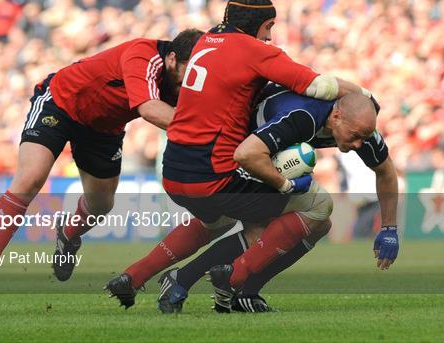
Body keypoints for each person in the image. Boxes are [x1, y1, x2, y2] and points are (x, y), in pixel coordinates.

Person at [104, 0, 375, 309]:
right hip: (214, 172)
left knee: (215, 222)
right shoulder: (253, 49)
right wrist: (362, 93)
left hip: (175, 168)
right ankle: (232, 285)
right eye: (268, 27)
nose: (270, 37)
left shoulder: (207, 40)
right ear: (255, 23)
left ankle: (133, 277)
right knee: (316, 208)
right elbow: (318, 86)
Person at [0, 28, 204, 303]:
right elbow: (150, 109)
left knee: (101, 205)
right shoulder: (144, 56)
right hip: (60, 103)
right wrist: (206, 132)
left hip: (103, 129)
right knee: (29, 179)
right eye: (190, 69)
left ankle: (68, 233)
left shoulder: (188, 79)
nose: (194, 78)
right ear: (172, 59)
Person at [157, 84, 398, 313]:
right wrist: (286, 184)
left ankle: (240, 291)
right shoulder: (302, 114)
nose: (359, 144)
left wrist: (389, 227)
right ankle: (189, 280)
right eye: (355, 136)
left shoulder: (359, 129)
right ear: (336, 117)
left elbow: (385, 171)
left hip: (255, 153)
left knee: (316, 225)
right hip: (234, 151)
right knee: (266, 230)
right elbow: (250, 150)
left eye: (363, 138)